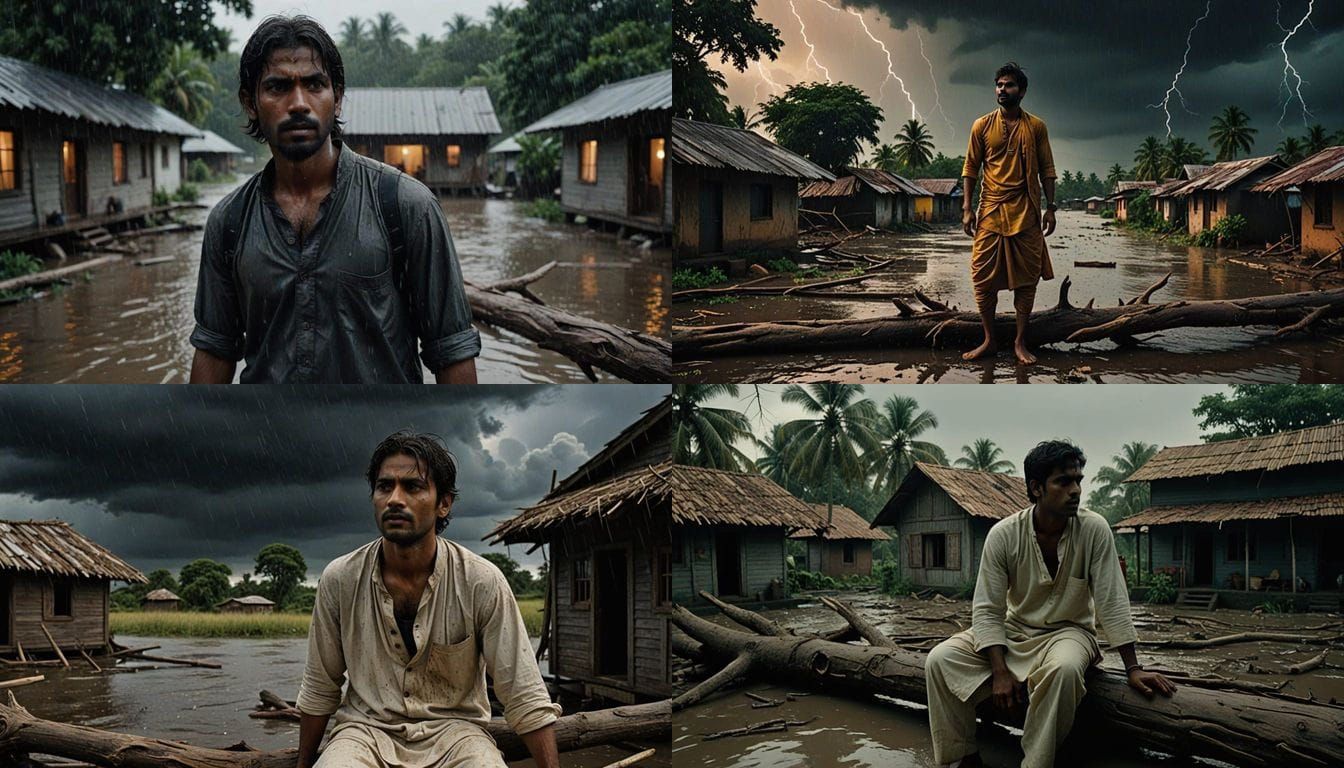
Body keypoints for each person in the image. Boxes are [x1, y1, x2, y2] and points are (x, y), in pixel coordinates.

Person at [189, 15, 480, 384]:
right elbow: (215, 350)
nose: (298, 103)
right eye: (278, 87)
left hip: (380, 436)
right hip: (269, 437)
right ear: (251, 103)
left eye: (314, 84)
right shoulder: (229, 222)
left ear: (337, 98)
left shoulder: (405, 206)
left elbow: (452, 351)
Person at [296, 432, 560, 767]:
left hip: (458, 734)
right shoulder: (340, 579)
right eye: (384, 486)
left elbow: (523, 695)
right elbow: (321, 687)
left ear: (444, 503)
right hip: (364, 733)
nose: (394, 498)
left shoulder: (481, 581)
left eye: (413, 487)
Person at [924, 440, 1176, 768]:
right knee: (938, 661)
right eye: (1063, 481)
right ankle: (967, 757)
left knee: (1065, 670)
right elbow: (988, 608)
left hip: (1070, 633)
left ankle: (1035, 763)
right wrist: (1000, 672)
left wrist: (1133, 668)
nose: (1075, 490)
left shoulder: (1094, 529)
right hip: (1015, 631)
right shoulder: (1003, 535)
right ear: (1036, 488)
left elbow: (1111, 600)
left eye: (1078, 481)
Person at [960, 62, 1058, 366]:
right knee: (981, 277)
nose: (1003, 90)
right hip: (989, 209)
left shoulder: (1036, 127)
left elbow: (1048, 170)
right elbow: (970, 169)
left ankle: (1019, 342)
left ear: (1023, 91)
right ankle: (989, 339)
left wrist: (1051, 208)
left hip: (1027, 211)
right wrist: (966, 208)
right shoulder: (981, 126)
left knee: (1027, 280)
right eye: (999, 85)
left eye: (1009, 85)